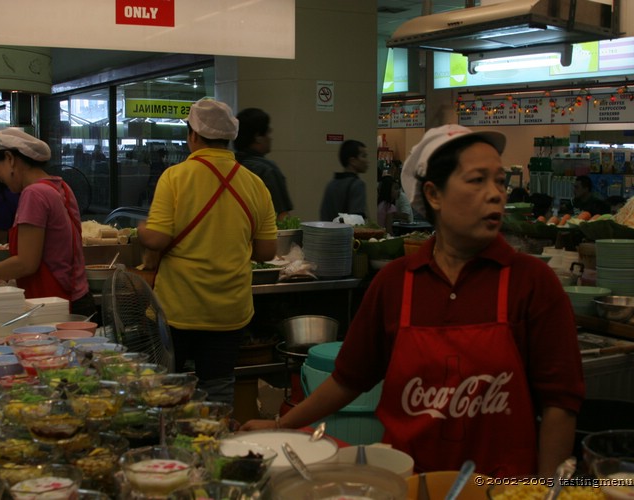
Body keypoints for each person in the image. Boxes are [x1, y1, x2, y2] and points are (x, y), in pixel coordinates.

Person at [241, 124, 584, 478]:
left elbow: (560, 403)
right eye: (477, 180)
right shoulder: (395, 283)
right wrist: (280, 425)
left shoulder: (531, 282)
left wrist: (546, 490)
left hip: (502, 488)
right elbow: (349, 379)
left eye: (500, 181)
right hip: (407, 483)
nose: (496, 194)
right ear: (434, 194)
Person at [137, 99, 277, 404]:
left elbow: (158, 239)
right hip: (230, 311)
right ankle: (215, 442)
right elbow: (267, 251)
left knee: (168, 391)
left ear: (193, 135)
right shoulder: (256, 184)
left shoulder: (175, 177)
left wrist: (140, 229)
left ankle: (169, 446)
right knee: (218, 391)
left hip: (179, 308)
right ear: (229, 138)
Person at [0, 128, 95, 317]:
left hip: (54, 305)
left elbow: (26, 263)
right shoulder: (61, 186)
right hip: (77, 299)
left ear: (9, 159)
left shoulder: (34, 193)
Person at [234, 108, 294, 221]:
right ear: (258, 137)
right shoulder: (267, 170)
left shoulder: (230, 165)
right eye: (268, 133)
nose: (270, 138)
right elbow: (281, 216)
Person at [319, 139, 370, 221]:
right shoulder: (357, 185)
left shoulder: (331, 184)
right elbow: (356, 220)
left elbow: (323, 214)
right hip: (347, 233)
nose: (367, 161)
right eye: (363, 156)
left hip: (328, 232)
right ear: (352, 161)